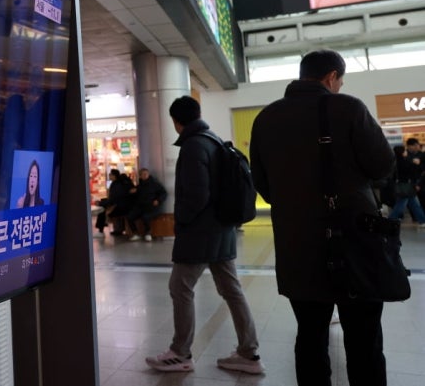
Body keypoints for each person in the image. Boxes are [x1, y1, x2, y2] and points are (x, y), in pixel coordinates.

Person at [249, 49, 394, 386]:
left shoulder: (266, 118)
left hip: (297, 248)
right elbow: (383, 165)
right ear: (332, 77)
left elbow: (263, 186)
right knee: (365, 339)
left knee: (310, 337)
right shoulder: (348, 108)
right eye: (340, 81)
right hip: (355, 244)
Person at [146, 96, 263, 374]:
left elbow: (196, 194)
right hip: (222, 229)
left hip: (200, 233)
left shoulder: (193, 146)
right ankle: (249, 353)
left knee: (180, 287)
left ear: (176, 121)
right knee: (231, 290)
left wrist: (182, 222)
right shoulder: (213, 140)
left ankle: (180, 352)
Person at [388, 145, 425, 225]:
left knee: (414, 204)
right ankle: (390, 220)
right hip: (406, 186)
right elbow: (411, 172)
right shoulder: (404, 162)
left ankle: (422, 220)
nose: (406, 152)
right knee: (401, 205)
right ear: (401, 152)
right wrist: (416, 164)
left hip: (402, 186)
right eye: (404, 151)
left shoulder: (395, 162)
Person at [127, 167, 167, 242]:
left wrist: (158, 200)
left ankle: (148, 233)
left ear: (148, 174)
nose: (145, 175)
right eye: (143, 174)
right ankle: (135, 233)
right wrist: (133, 192)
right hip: (140, 207)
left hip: (152, 207)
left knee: (145, 217)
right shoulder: (140, 186)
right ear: (140, 176)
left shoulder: (154, 184)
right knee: (130, 217)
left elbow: (163, 193)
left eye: (146, 174)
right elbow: (135, 196)